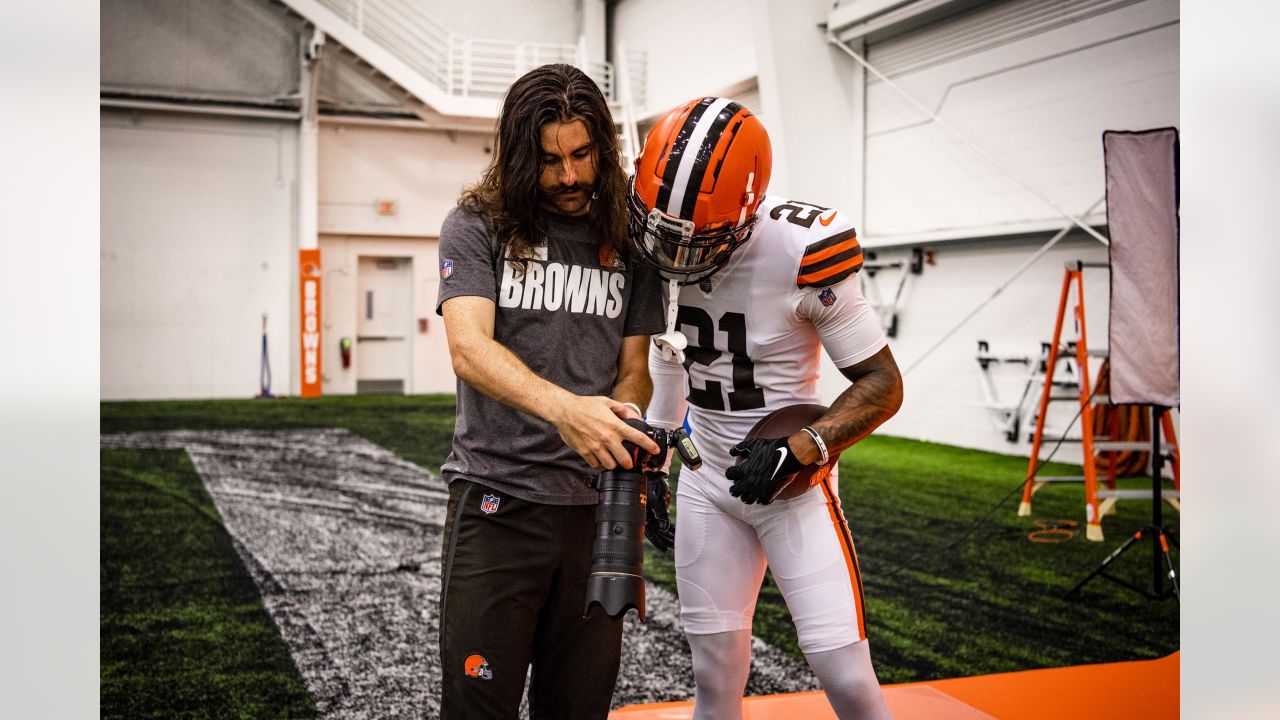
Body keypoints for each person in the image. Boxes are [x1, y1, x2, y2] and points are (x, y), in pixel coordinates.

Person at [631, 97, 902, 720]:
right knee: (714, 674)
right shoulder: (659, 231)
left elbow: (882, 383)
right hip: (708, 485)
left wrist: (804, 447)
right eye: (662, 235)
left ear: (745, 215)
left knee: (844, 673)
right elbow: (669, 359)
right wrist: (659, 463)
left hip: (792, 489)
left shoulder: (799, 250)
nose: (673, 257)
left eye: (695, 241)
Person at [435, 63, 665, 719]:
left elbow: (633, 368)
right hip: (497, 502)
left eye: (583, 154)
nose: (569, 176)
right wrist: (566, 411)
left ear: (603, 146)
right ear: (517, 155)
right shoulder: (475, 226)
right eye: (548, 160)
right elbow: (469, 348)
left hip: (597, 514)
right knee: (479, 710)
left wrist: (623, 426)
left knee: (578, 711)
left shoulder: (628, 236)